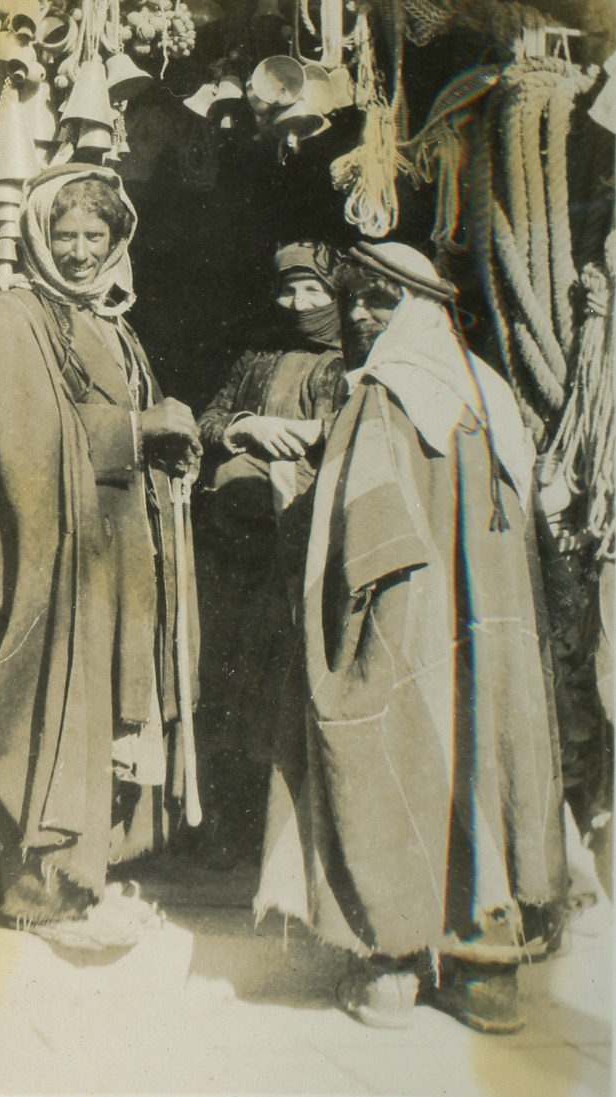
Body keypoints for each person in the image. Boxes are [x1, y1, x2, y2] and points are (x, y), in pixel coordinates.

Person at [255, 241, 568, 1034]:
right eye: (356, 299)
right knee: (483, 762)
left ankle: (391, 963)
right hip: (490, 635)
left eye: (379, 302)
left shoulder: (382, 394)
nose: (360, 315)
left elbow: (367, 530)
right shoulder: (488, 392)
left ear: (419, 310)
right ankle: (487, 971)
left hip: (409, 627)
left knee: (393, 763)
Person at [0, 163, 202, 945]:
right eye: (65, 234)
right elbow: (21, 445)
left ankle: (85, 877)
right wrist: (139, 434)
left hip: (115, 557)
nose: (79, 252)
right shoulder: (9, 320)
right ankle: (40, 891)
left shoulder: (114, 326)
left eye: (95, 235)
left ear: (117, 239)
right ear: (38, 236)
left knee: (103, 714)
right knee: (50, 713)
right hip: (48, 560)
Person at [194, 242, 346, 867]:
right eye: (289, 291)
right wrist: (244, 427)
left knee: (280, 682)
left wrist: (313, 434)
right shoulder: (256, 357)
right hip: (235, 545)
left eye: (314, 292)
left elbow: (356, 431)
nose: (298, 304)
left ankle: (280, 838)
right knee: (224, 679)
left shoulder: (351, 363)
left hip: (300, 547)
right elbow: (209, 419)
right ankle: (222, 828)